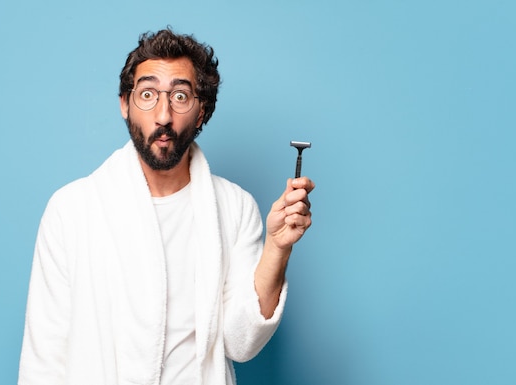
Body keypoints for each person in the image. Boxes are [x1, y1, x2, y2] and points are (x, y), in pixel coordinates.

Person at [18, 28, 314, 385]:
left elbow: (241, 343)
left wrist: (277, 249)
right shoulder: (71, 210)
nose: (163, 115)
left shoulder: (234, 208)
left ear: (202, 111)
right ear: (124, 104)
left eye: (179, 96)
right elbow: (43, 359)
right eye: (147, 94)